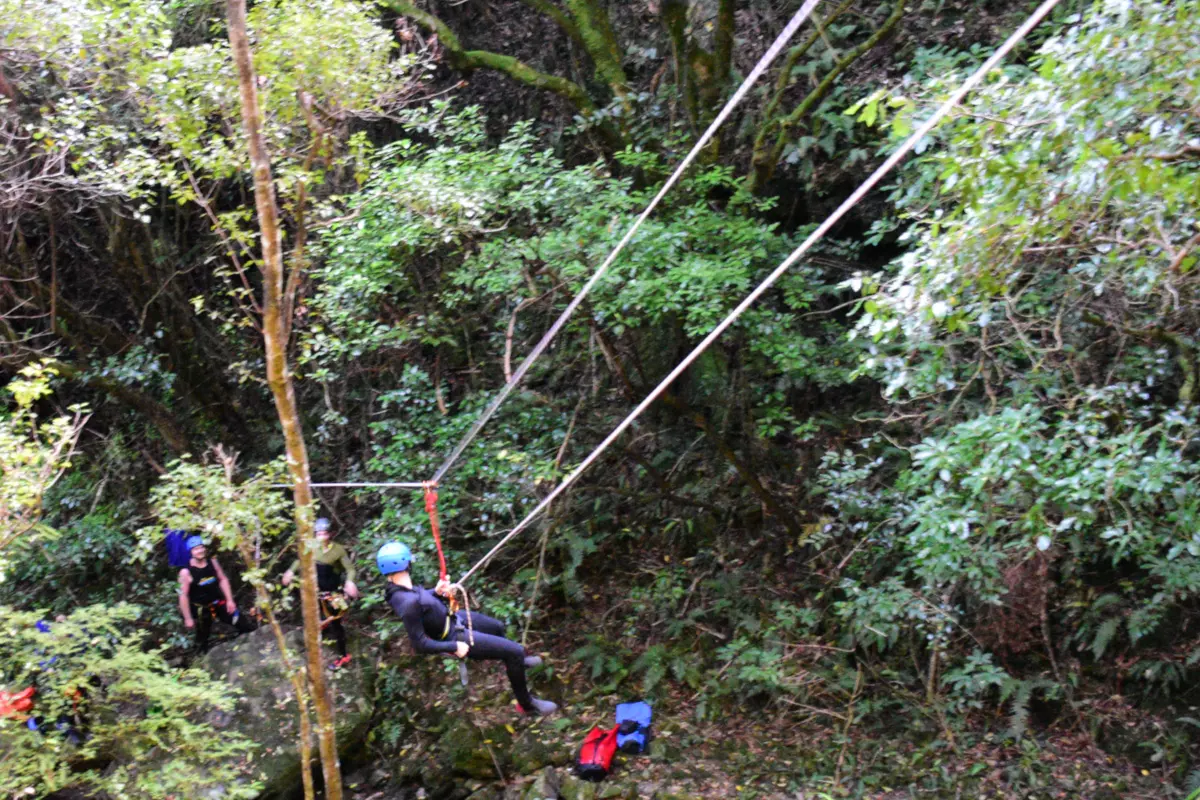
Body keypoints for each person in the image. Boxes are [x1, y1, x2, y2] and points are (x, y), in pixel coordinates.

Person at [376, 541, 557, 716]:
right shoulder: (407, 604)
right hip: (454, 636)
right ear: (406, 564)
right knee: (515, 651)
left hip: (455, 619)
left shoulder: (401, 589)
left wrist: (437, 592)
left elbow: (422, 599)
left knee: (497, 627)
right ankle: (527, 704)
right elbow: (420, 644)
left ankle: (518, 663)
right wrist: (454, 647)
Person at [282, 517, 359, 669]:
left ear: (330, 534)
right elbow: (300, 560)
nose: (322, 537)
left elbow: (350, 569)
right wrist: (290, 571)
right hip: (314, 588)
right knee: (313, 611)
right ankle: (320, 627)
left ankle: (343, 655)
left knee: (336, 623)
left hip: (332, 590)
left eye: (325, 533)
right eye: (319, 534)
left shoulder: (337, 550)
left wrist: (349, 582)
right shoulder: (311, 546)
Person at [179, 535, 254, 653]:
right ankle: (200, 660)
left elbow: (222, 579)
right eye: (196, 549)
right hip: (201, 609)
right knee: (202, 637)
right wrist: (188, 618)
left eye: (201, 547)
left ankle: (251, 644)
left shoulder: (212, 562)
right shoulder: (186, 571)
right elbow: (183, 595)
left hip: (218, 602)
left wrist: (229, 600)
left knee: (240, 621)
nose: (199, 551)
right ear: (191, 551)